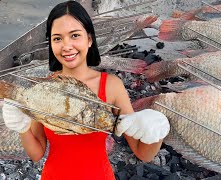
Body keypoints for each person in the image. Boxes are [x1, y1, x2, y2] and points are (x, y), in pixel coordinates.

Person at [2, 1, 170, 179]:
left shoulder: (112, 86)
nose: (66, 45)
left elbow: (143, 153)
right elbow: (36, 154)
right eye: (57, 38)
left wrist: (155, 133)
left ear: (89, 39)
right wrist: (22, 128)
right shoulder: (44, 88)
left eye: (74, 35)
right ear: (51, 43)